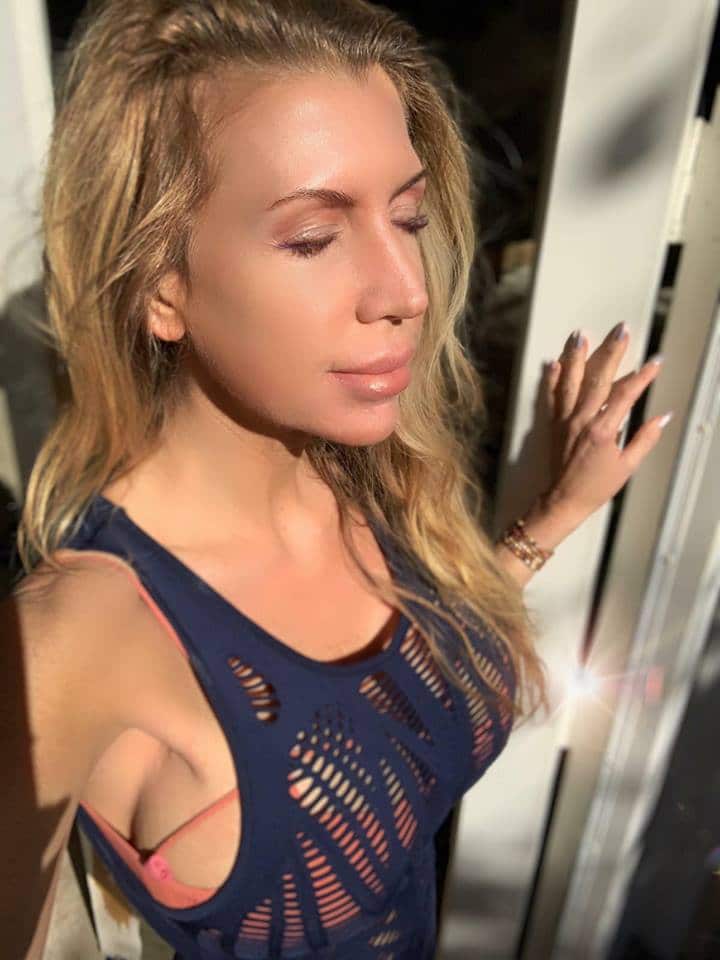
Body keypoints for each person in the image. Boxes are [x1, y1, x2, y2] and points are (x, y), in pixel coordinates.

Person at [2, 1, 671, 957]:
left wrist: (555, 513)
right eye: (314, 238)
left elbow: (393, 698)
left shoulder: (358, 476)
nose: (407, 290)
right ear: (159, 285)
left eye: (409, 217)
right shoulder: (79, 636)